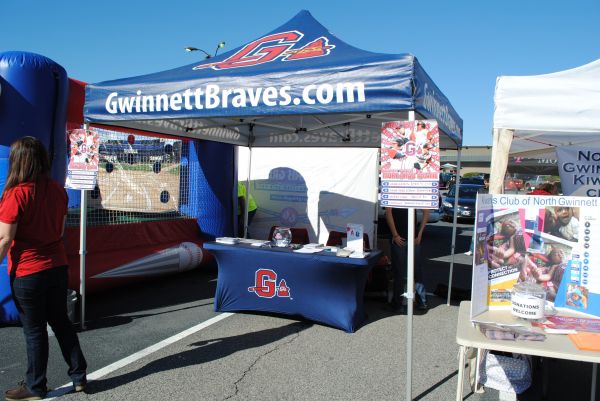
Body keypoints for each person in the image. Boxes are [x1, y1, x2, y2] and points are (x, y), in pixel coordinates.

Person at [0, 137, 87, 400]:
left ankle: (35, 386)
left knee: (35, 330)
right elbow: (58, 231)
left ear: (18, 161)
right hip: (57, 266)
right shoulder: (58, 190)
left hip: (29, 271)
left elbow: (5, 238)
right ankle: (79, 376)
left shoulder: (16, 194)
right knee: (61, 322)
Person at [385, 206, 430, 312]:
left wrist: (395, 235)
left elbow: (388, 212)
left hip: (401, 238)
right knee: (415, 270)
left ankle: (398, 304)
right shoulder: (413, 191)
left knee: (400, 272)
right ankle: (422, 301)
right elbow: (426, 212)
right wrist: (419, 233)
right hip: (411, 238)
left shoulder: (394, 191)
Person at [465, 174, 489, 256]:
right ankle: (472, 249)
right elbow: (477, 201)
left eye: (488, 182)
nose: (487, 183)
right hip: (481, 213)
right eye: (486, 182)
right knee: (476, 234)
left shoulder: (493, 190)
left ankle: (484, 250)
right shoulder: (481, 190)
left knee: (488, 234)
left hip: (489, 214)